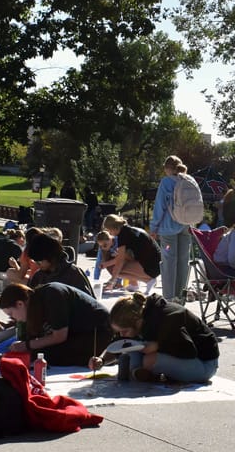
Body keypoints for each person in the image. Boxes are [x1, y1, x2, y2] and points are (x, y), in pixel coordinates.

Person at [91, 292, 220, 383]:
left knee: (149, 360)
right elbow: (119, 344)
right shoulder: (141, 318)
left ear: (137, 321)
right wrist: (101, 360)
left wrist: (158, 346)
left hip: (204, 363)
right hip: (180, 356)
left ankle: (142, 371)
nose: (121, 335)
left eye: (124, 331)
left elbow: (189, 351)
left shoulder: (168, 318)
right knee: (130, 350)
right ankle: (140, 372)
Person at [0, 282, 112, 367]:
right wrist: (3, 355)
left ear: (20, 304)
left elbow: (59, 336)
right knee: (39, 352)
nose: (14, 319)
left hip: (97, 332)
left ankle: (103, 358)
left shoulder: (52, 295)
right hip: (77, 333)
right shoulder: (34, 307)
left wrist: (26, 345)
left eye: (11, 314)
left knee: (48, 355)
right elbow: (34, 339)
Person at [150, 155, 196, 304]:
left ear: (167, 168)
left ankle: (169, 298)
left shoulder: (166, 182)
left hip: (168, 228)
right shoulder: (189, 180)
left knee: (169, 261)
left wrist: (154, 227)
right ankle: (180, 297)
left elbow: (160, 206)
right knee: (183, 261)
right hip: (186, 226)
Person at [25, 227, 96, 297]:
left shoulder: (74, 274)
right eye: (35, 261)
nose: (38, 264)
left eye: (40, 261)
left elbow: (88, 301)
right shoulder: (38, 276)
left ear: (51, 256)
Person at [101, 214, 161, 293]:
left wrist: (112, 281)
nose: (110, 233)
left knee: (113, 268)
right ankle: (142, 282)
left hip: (152, 267)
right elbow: (125, 256)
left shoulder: (123, 235)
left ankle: (148, 280)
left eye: (109, 230)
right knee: (122, 259)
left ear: (113, 227)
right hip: (157, 264)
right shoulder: (129, 230)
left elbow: (120, 261)